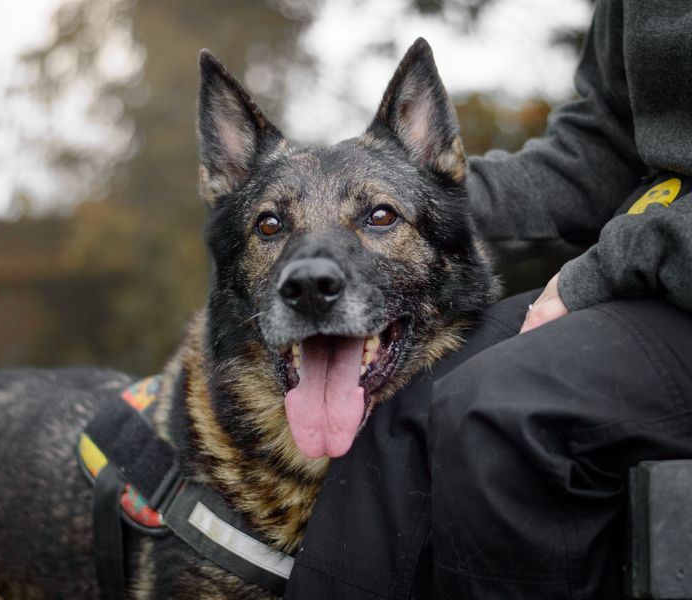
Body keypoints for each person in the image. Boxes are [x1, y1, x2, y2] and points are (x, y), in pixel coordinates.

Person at [284, 0, 692, 598]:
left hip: (663, 265)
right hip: (658, 276)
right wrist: (391, 200)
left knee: (497, 412)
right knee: (403, 392)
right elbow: (602, 147)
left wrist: (602, 272)